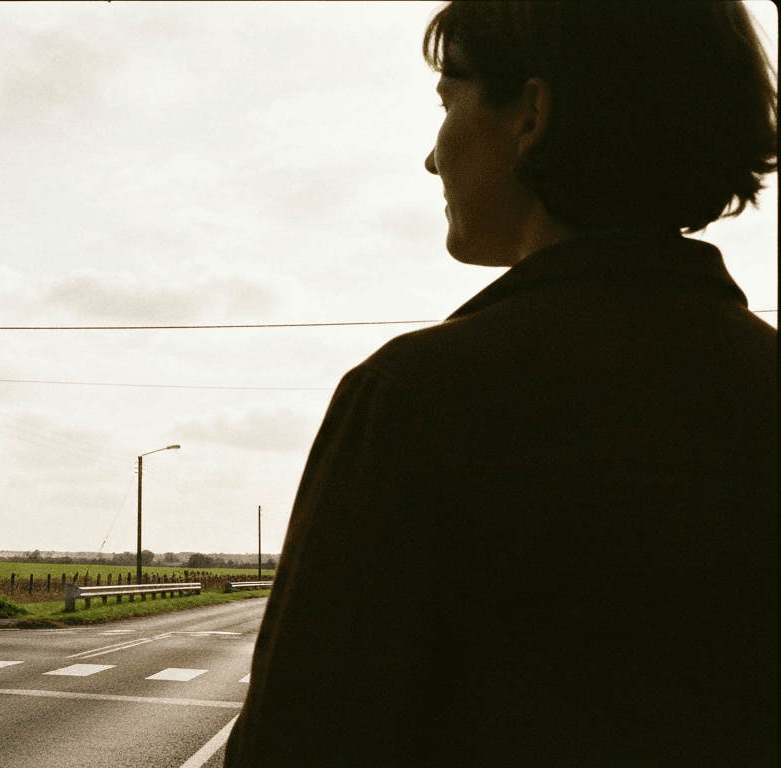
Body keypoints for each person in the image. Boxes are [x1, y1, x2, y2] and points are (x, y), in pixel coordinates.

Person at [225, 2, 777, 765]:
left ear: (531, 117)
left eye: (448, 102)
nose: (431, 159)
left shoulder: (416, 401)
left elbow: (297, 745)